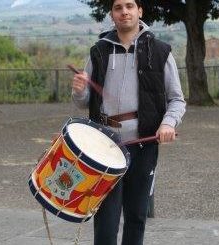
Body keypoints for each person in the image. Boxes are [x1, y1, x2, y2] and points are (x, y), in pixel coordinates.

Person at [71, 0, 186, 244]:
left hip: (143, 145)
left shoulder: (160, 51)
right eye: (118, 7)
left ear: (140, 11)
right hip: (104, 147)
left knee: (136, 216)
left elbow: (177, 99)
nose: (124, 12)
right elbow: (83, 103)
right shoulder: (99, 51)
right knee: (105, 218)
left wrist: (168, 124)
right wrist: (80, 90)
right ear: (112, 14)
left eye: (130, 6)